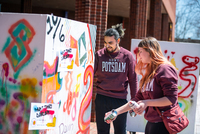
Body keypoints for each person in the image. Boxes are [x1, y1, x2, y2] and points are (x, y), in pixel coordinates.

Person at [105, 37, 178, 134]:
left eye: (141, 51)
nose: (139, 55)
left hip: (163, 125)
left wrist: (146, 103)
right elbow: (137, 99)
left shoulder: (165, 69)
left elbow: (171, 99)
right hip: (151, 124)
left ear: (150, 52)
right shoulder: (150, 72)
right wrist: (115, 112)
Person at [94, 23, 138, 134]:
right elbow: (89, 75)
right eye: (105, 42)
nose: (107, 45)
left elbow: (133, 79)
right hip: (102, 98)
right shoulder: (99, 55)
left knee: (120, 131)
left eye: (110, 43)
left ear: (118, 41)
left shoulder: (127, 56)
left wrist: (134, 100)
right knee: (102, 131)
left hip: (120, 100)